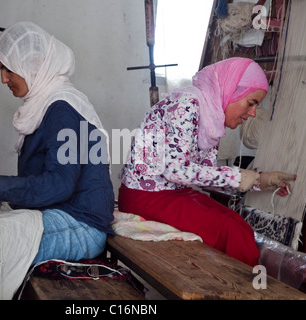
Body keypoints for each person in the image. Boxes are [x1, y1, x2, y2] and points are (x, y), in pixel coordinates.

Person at [0, 21, 115, 265]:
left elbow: (60, 185)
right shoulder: (44, 107)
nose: (3, 79)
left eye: (8, 69)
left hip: (80, 226)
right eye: (0, 69)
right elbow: (41, 183)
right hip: (56, 214)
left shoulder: (63, 110)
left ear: (33, 65)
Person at [118, 57, 295, 267]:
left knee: (239, 227)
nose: (253, 113)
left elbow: (204, 175)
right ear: (232, 90)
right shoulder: (186, 105)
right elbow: (175, 171)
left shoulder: (211, 116)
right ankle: (246, 291)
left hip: (172, 191)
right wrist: (238, 176)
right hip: (145, 195)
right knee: (231, 231)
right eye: (250, 103)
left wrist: (260, 180)